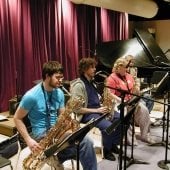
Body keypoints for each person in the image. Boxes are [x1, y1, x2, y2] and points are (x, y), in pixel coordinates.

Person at [14, 61, 97, 170]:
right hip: (40, 135)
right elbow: (17, 118)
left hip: (56, 132)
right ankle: (58, 157)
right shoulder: (31, 96)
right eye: (58, 77)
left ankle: (58, 158)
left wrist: (70, 123)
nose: (61, 80)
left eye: (62, 77)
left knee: (86, 141)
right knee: (82, 146)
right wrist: (28, 140)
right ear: (47, 76)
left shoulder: (59, 93)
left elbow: (62, 115)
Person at [70, 57, 121, 161]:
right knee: (108, 126)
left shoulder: (92, 82)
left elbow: (96, 98)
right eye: (91, 67)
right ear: (84, 69)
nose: (94, 69)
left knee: (121, 118)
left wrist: (105, 104)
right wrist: (97, 110)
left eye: (94, 67)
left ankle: (112, 143)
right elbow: (76, 109)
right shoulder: (78, 85)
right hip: (87, 114)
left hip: (98, 110)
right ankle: (107, 150)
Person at [106, 57, 154, 144]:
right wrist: (121, 100)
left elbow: (132, 90)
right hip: (119, 103)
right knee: (125, 116)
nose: (126, 69)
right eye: (124, 67)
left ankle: (145, 135)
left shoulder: (128, 76)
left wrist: (137, 90)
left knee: (144, 110)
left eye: (126, 67)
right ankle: (130, 140)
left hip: (131, 101)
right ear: (118, 68)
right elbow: (110, 94)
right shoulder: (111, 78)